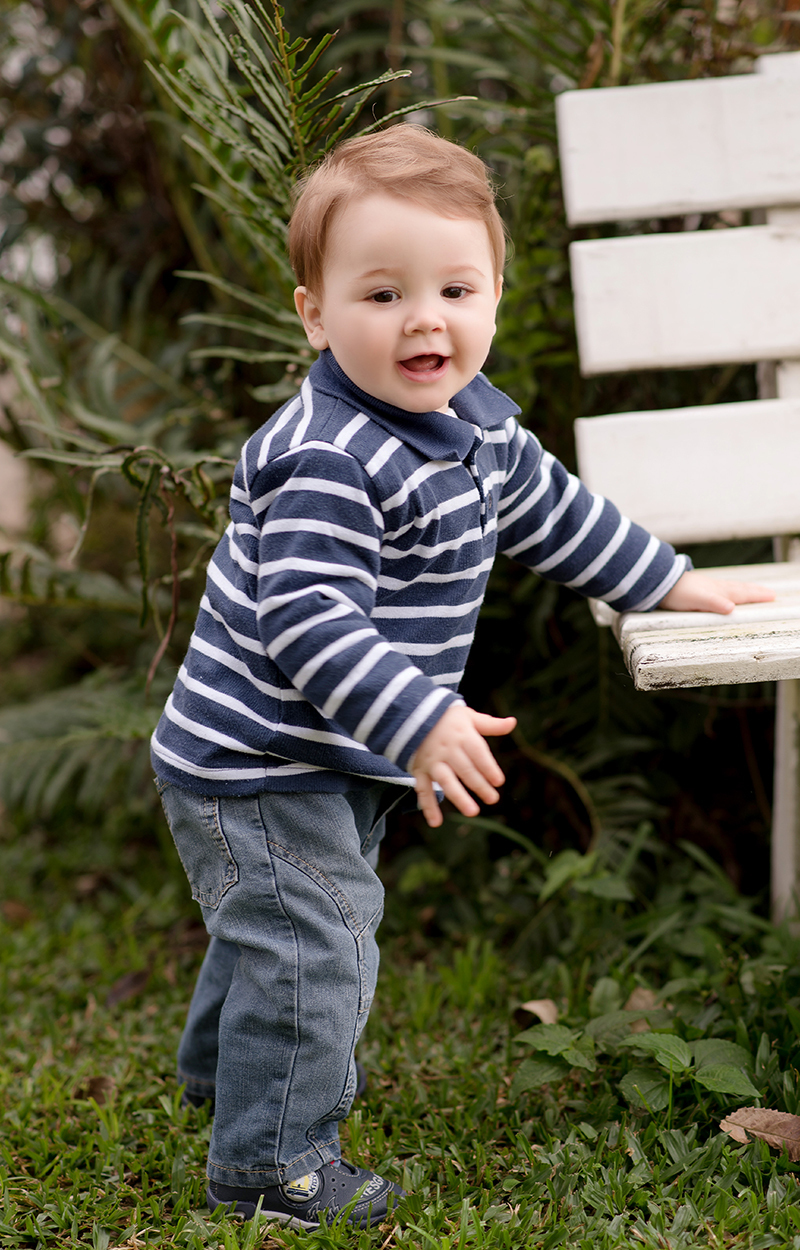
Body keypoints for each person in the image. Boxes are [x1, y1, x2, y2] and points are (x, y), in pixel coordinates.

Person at [150, 125, 773, 1229]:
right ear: (314, 312)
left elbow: (556, 516)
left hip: (328, 751)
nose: (423, 318)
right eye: (381, 293)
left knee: (280, 929)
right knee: (315, 943)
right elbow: (306, 616)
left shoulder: (475, 427)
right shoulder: (327, 456)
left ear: (492, 294)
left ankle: (221, 1077)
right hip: (255, 758)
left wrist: (669, 580)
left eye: (453, 286)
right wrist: (420, 714)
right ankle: (269, 1164)